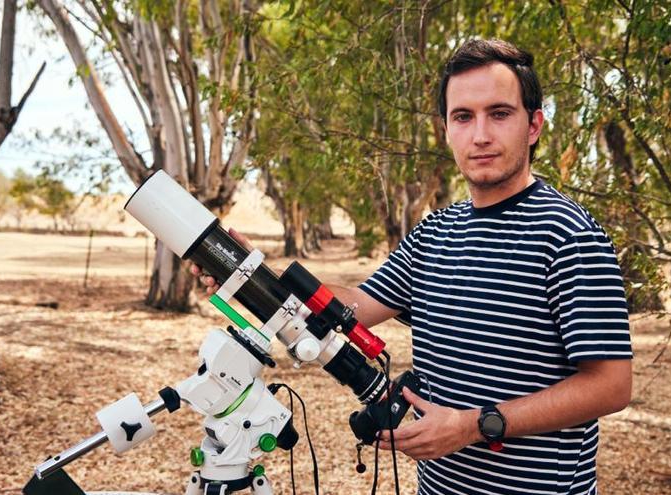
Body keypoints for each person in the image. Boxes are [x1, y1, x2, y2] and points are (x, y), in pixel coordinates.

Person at [196, 39, 632, 495]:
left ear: (534, 125)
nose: (480, 134)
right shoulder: (435, 233)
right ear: (446, 129)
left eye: (499, 113)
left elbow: (610, 386)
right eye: (463, 117)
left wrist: (475, 426)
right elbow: (352, 309)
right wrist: (245, 273)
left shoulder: (568, 235)